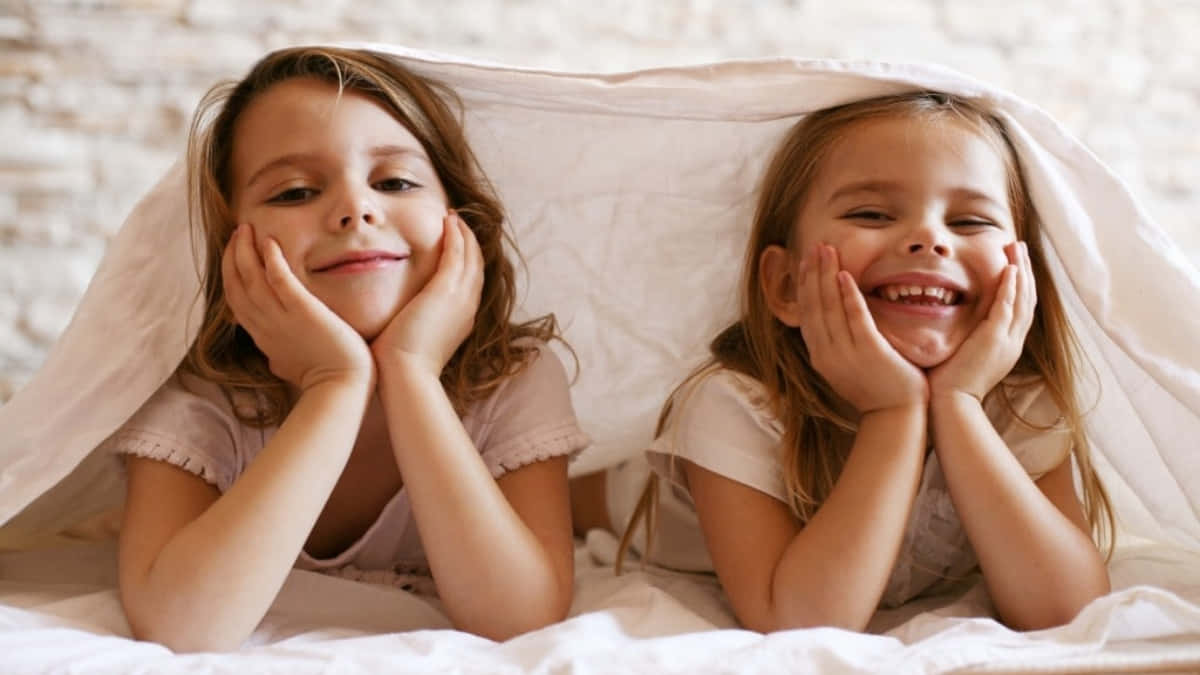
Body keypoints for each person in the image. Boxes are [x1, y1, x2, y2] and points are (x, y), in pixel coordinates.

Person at [572, 91, 1114, 633]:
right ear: (786, 285)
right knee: (575, 490)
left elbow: (1066, 610)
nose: (929, 239)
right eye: (871, 213)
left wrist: (960, 404)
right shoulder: (734, 404)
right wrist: (894, 413)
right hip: (638, 498)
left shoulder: (1021, 404)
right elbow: (797, 621)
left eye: (970, 222)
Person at [109, 46, 589, 651]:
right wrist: (333, 383)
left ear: (459, 218)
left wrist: (410, 371)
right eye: (294, 192)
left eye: (394, 181)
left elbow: (521, 620)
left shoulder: (514, 377)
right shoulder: (196, 390)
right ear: (231, 242)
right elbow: (181, 627)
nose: (355, 209)